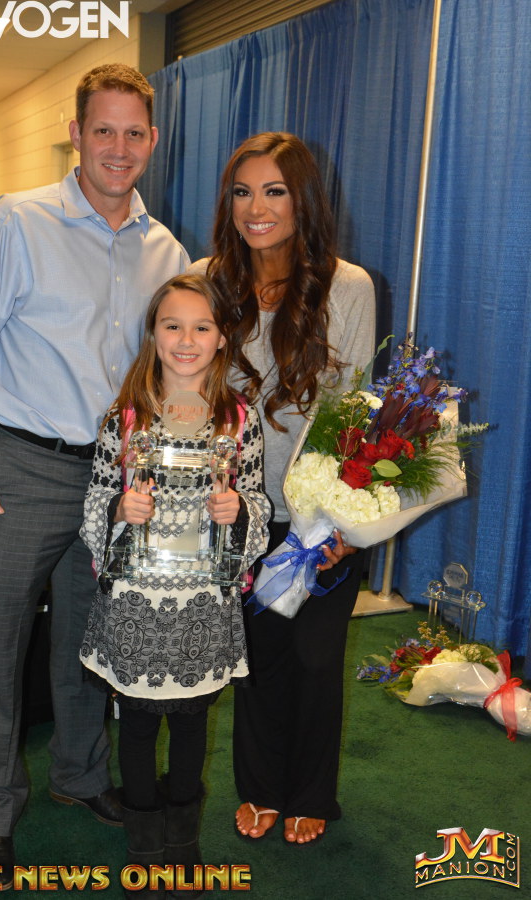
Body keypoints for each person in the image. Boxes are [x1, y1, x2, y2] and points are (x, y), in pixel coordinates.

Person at [0, 64, 189, 886]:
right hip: (19, 466)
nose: (118, 147)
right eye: (103, 129)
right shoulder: (18, 221)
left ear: (153, 140)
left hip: (113, 478)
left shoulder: (167, 249)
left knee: (90, 638)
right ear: (76, 134)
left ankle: (79, 776)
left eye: (134, 132)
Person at [191, 132, 375, 845]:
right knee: (260, 655)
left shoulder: (347, 286)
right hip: (237, 510)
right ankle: (262, 789)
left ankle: (311, 793)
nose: (256, 207)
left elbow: (350, 407)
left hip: (320, 513)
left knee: (315, 655)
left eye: (274, 191)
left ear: (304, 201)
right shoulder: (206, 280)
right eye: (242, 192)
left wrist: (336, 524)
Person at [79, 272, 269, 898]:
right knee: (135, 725)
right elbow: (96, 498)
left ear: (222, 338)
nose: (187, 340)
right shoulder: (124, 418)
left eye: (201, 327)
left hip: (202, 604)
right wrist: (118, 510)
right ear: (153, 334)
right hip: (136, 600)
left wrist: (237, 512)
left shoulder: (239, 419)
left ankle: (183, 845)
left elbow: (258, 501)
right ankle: (143, 844)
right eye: (172, 326)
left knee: (191, 727)